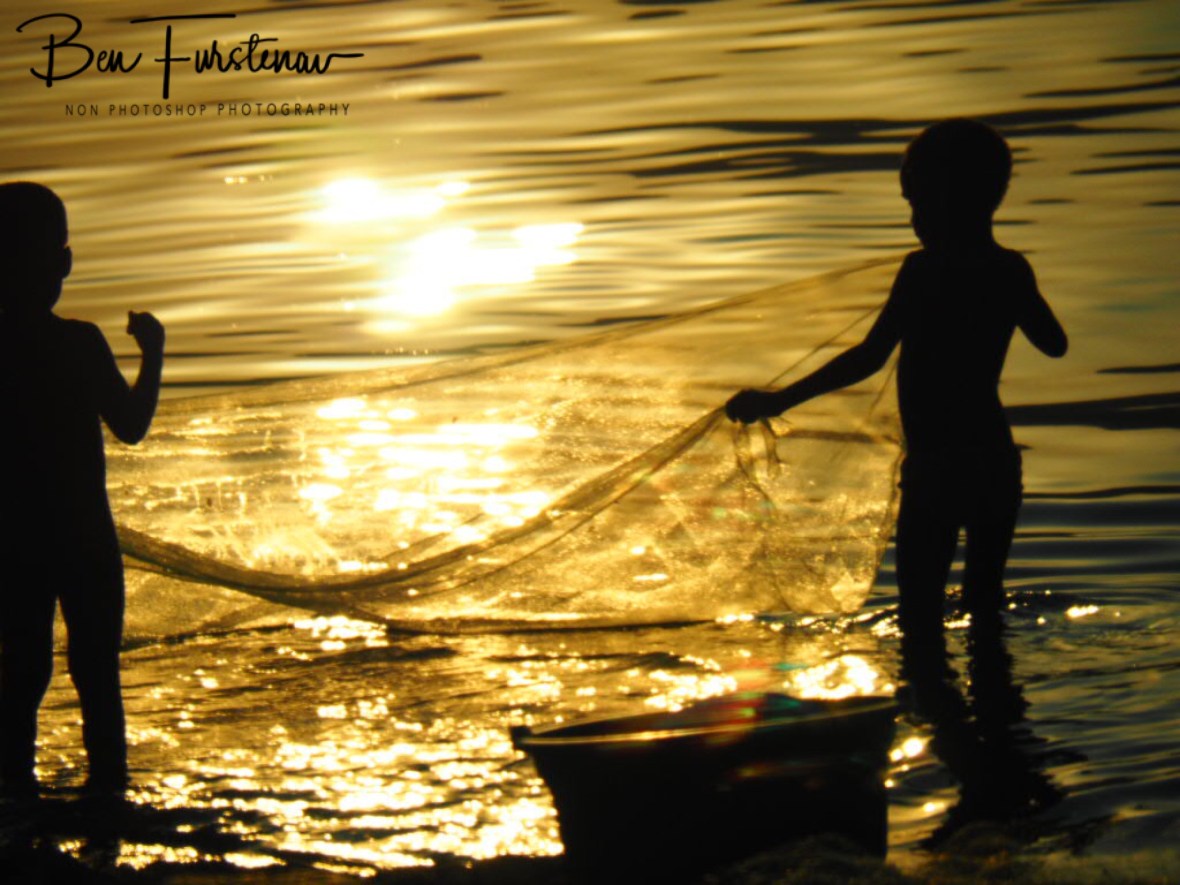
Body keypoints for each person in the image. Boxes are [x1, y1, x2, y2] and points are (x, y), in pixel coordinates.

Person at [726, 119, 1067, 674]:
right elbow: (1055, 346)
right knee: (984, 605)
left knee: (920, 616)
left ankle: (941, 722)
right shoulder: (1008, 268)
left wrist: (777, 401)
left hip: (936, 467)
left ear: (950, 199)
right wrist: (1011, 294)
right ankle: (1001, 729)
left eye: (920, 205)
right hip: (995, 463)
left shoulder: (924, 270)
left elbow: (869, 356)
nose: (915, 221)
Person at [0, 181, 165, 797]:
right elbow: (131, 426)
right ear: (63, 263)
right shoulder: (77, 342)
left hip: (14, 541)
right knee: (96, 671)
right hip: (84, 541)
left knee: (23, 670)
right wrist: (153, 355)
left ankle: (15, 794)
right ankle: (108, 799)